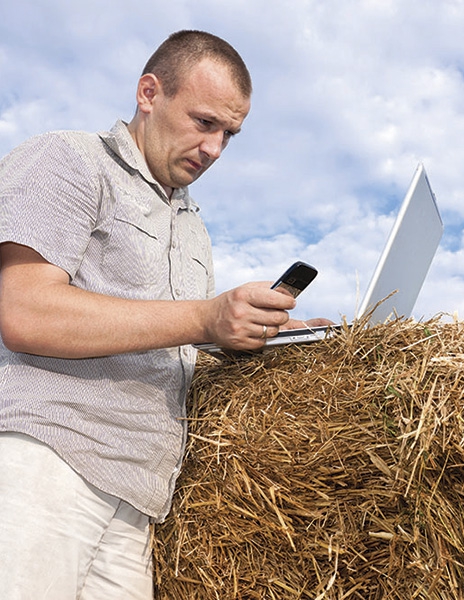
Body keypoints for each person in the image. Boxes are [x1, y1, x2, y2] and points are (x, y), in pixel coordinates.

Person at [0, 30, 329, 599]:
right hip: (46, 464)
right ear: (149, 93)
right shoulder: (68, 159)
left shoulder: (193, 229)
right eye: (204, 122)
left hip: (139, 500)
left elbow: (174, 339)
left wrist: (263, 333)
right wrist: (205, 318)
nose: (215, 149)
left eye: (229, 134)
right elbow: (24, 311)